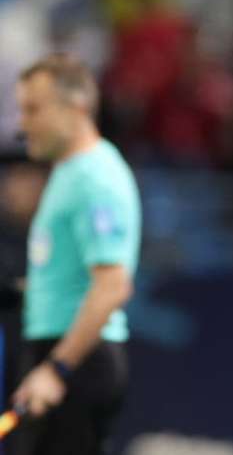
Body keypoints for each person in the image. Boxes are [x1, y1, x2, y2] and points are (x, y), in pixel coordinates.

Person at [10, 54, 141, 455]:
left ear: (77, 107)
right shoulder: (70, 174)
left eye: (34, 109)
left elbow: (113, 286)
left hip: (78, 363)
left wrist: (57, 369)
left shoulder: (95, 178)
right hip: (61, 355)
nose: (23, 123)